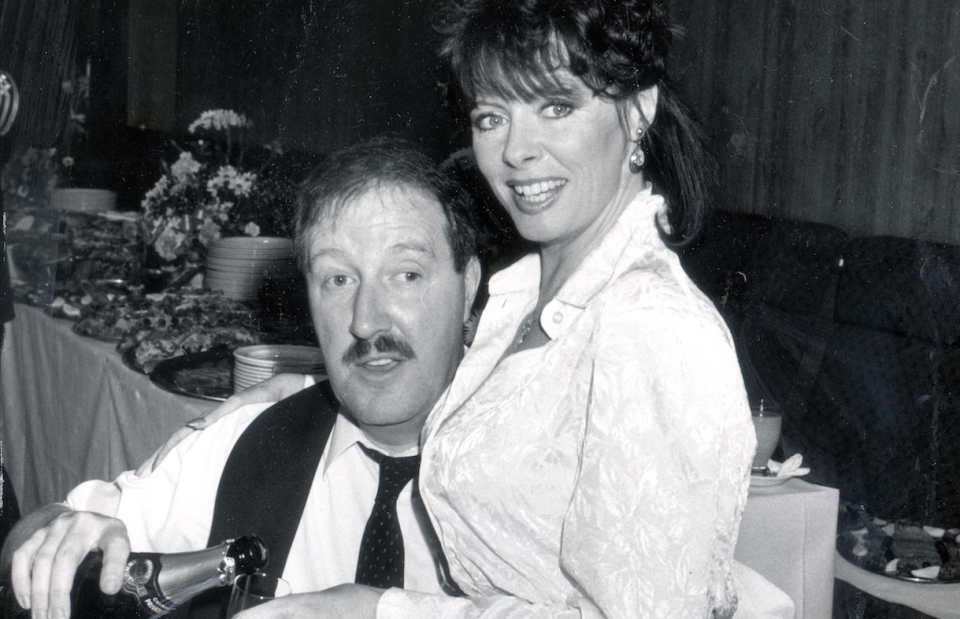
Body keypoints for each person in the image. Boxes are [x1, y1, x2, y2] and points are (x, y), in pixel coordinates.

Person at [147, 0, 795, 616]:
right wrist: (311, 391)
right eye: (492, 116)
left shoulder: (651, 329)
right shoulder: (529, 301)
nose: (517, 149)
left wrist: (378, 609)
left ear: (640, 109)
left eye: (555, 104)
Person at [0, 137, 483, 619]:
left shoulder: (536, 466)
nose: (366, 320)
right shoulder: (254, 437)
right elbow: (43, 526)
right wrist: (56, 535)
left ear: (470, 286)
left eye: (407, 275)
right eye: (338, 279)